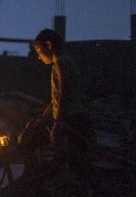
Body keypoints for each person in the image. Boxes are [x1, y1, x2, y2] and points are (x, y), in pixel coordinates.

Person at [18, 29, 92, 175]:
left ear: (49, 45)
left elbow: (64, 95)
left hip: (71, 120)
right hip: (70, 118)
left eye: (39, 50)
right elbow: (55, 101)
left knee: (27, 140)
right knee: (66, 160)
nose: (38, 56)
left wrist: (57, 125)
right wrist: (40, 119)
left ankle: (32, 177)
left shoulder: (61, 64)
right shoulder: (61, 64)